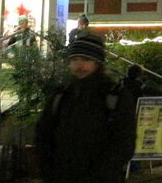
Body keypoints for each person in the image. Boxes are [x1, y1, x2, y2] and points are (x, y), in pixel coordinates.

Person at [36, 33, 136, 183]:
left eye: (86, 60)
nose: (79, 66)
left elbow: (124, 141)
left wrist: (103, 173)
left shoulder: (115, 96)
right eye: (75, 60)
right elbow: (43, 135)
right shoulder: (60, 95)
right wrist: (48, 172)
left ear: (98, 63)